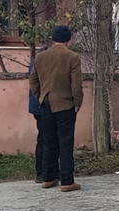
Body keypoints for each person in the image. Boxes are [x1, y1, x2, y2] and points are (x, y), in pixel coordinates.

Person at [30, 25, 83, 192]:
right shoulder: (72, 57)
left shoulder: (40, 57)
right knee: (65, 142)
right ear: (68, 40)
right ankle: (67, 181)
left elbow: (33, 80)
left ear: (53, 38)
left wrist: (40, 96)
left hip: (45, 102)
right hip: (65, 103)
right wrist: (77, 103)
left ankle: (48, 178)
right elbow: (76, 85)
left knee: (48, 141)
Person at [27, 52, 45, 184]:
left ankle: (42, 172)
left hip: (38, 104)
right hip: (41, 105)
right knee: (45, 139)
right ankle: (42, 172)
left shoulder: (37, 59)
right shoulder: (41, 60)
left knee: (44, 138)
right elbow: (34, 82)